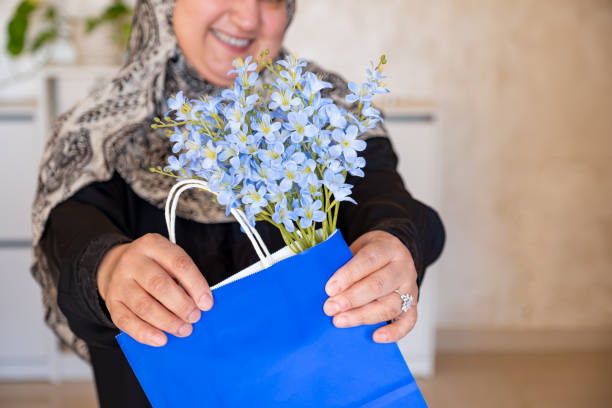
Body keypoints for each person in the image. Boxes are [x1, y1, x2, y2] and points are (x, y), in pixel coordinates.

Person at [32, 0, 445, 406]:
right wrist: (107, 267)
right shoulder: (97, 134)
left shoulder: (328, 112)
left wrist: (393, 242)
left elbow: (384, 198)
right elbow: (70, 237)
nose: (248, 17)